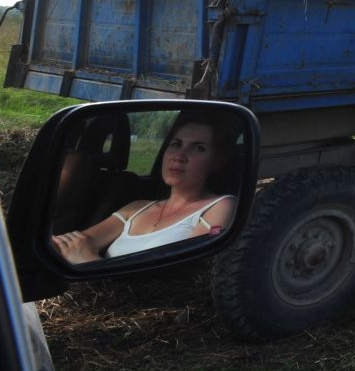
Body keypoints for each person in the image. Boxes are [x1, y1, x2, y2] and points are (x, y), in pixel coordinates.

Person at [51, 111, 240, 265]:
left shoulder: (221, 206)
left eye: (198, 148)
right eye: (176, 144)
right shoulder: (135, 208)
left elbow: (189, 269)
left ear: (218, 161)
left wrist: (90, 262)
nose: (179, 156)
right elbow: (82, 241)